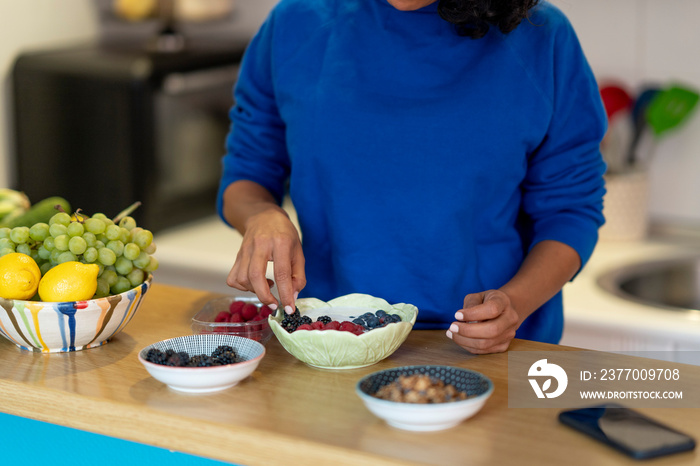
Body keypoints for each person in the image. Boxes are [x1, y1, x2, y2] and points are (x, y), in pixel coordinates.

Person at [217, 0, 607, 354]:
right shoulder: (296, 23)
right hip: (330, 345)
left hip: (489, 351)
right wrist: (260, 216)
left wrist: (514, 305)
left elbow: (571, 212)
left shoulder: (542, 38)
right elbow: (246, 174)